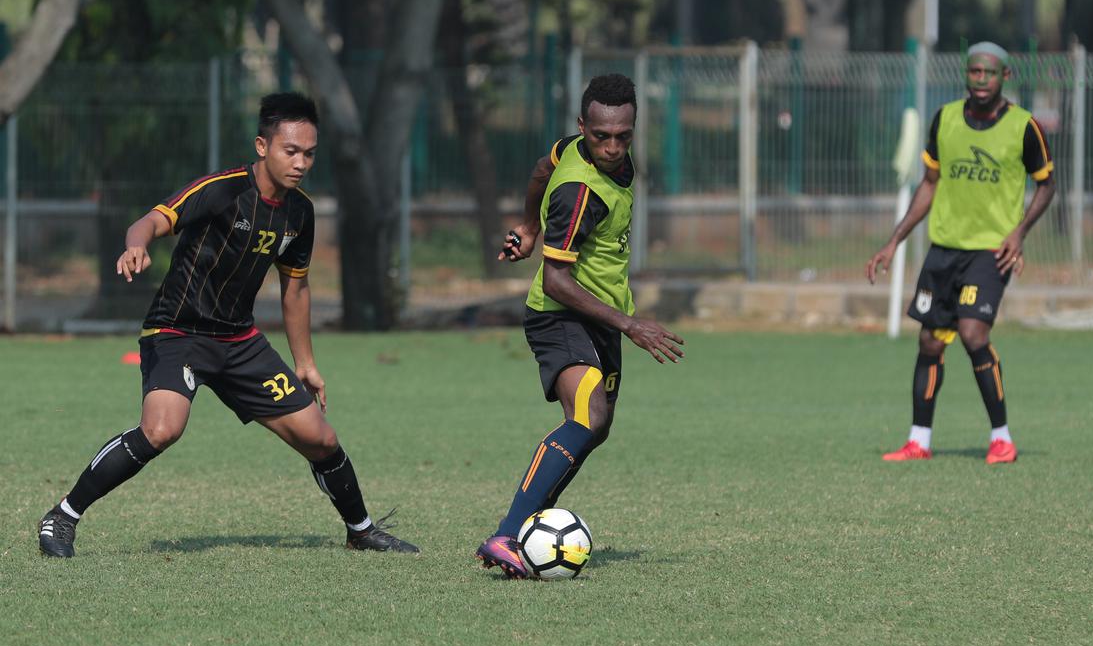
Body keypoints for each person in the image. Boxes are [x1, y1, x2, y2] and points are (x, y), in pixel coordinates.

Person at [38, 92, 418, 557]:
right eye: (290, 150)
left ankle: (361, 530)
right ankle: (62, 517)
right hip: (176, 332)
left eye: (309, 153)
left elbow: (295, 288)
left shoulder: (300, 213)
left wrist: (306, 363)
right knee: (162, 429)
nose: (301, 162)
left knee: (320, 436)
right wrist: (136, 244)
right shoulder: (222, 190)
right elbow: (152, 220)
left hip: (239, 341)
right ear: (263, 146)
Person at [476, 74, 685, 578]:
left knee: (598, 425)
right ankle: (507, 534)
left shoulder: (579, 150)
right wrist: (632, 326)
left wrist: (526, 224)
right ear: (582, 127)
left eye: (623, 135)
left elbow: (541, 164)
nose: (613, 147)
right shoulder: (577, 195)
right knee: (589, 411)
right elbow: (557, 279)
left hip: (601, 313)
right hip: (561, 312)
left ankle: (526, 530)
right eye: (600, 137)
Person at [866, 42, 1056, 465]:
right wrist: (894, 240)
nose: (982, 80)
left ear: (1005, 76)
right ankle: (919, 441)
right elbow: (929, 184)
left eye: (990, 73)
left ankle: (1002, 438)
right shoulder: (946, 119)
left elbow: (1047, 183)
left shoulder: (1025, 126)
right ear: (965, 75)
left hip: (990, 252)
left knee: (973, 334)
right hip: (943, 250)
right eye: (975, 72)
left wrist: (1020, 232)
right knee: (931, 341)